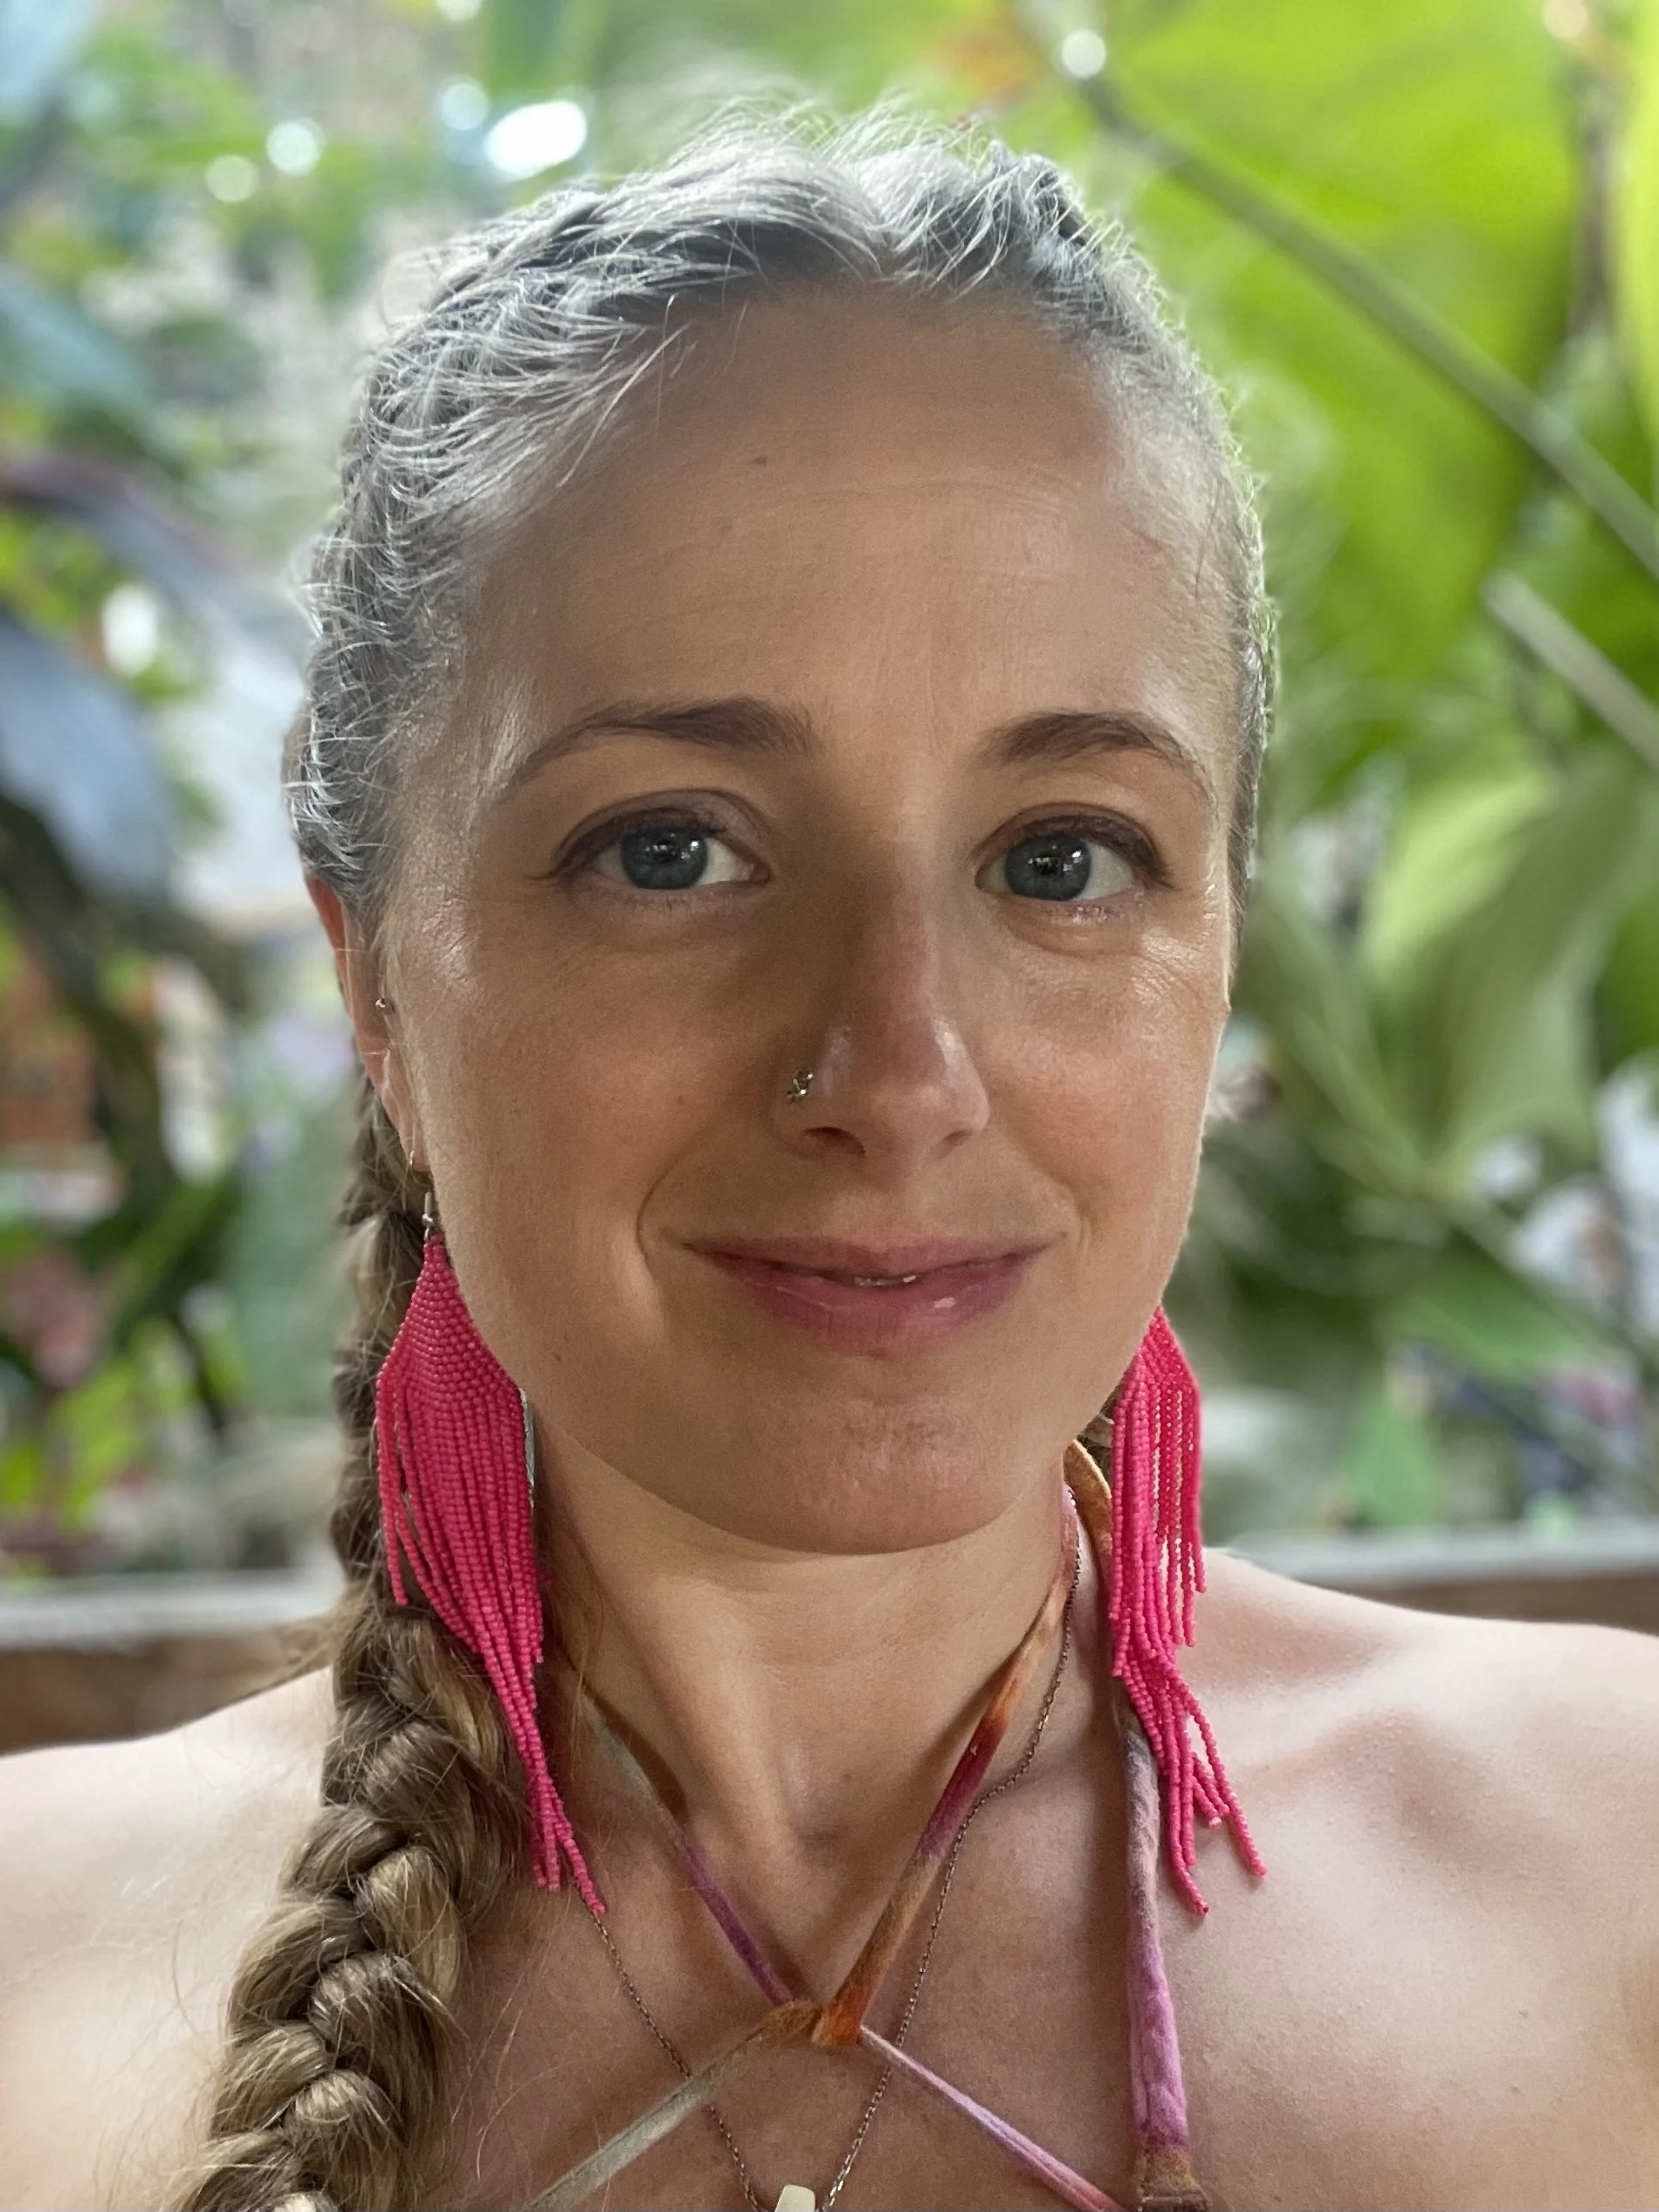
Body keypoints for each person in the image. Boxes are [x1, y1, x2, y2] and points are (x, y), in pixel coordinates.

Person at [1, 115, 1656, 2212]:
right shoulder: (28, 1995)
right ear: (379, 995)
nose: (898, 1068)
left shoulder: (1618, 1884)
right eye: (668, 849)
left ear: (1217, 953)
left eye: (1057, 861)